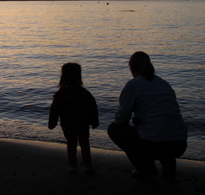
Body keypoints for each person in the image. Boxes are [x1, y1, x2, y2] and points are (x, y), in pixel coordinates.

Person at [108, 51, 187, 180]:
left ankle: (146, 169)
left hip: (156, 144)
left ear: (131, 68)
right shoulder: (164, 83)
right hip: (180, 143)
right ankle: (169, 165)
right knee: (162, 127)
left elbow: (121, 119)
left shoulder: (133, 85)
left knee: (114, 129)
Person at [49, 63, 99, 173]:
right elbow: (92, 106)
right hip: (83, 122)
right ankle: (87, 164)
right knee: (84, 143)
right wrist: (94, 120)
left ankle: (72, 164)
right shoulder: (84, 93)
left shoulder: (61, 94)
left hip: (67, 123)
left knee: (71, 143)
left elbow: (54, 109)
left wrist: (52, 123)